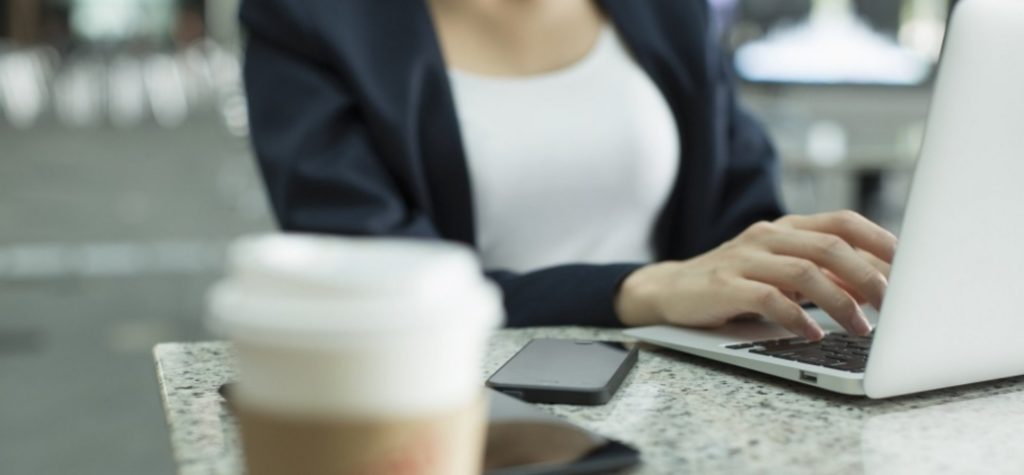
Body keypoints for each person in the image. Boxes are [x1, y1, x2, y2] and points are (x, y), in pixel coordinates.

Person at [239, 0, 896, 341]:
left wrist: (803, 265)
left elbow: (739, 218)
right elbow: (374, 273)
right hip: (453, 400)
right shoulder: (308, 16)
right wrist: (633, 290)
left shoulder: (668, 11)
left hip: (677, 384)